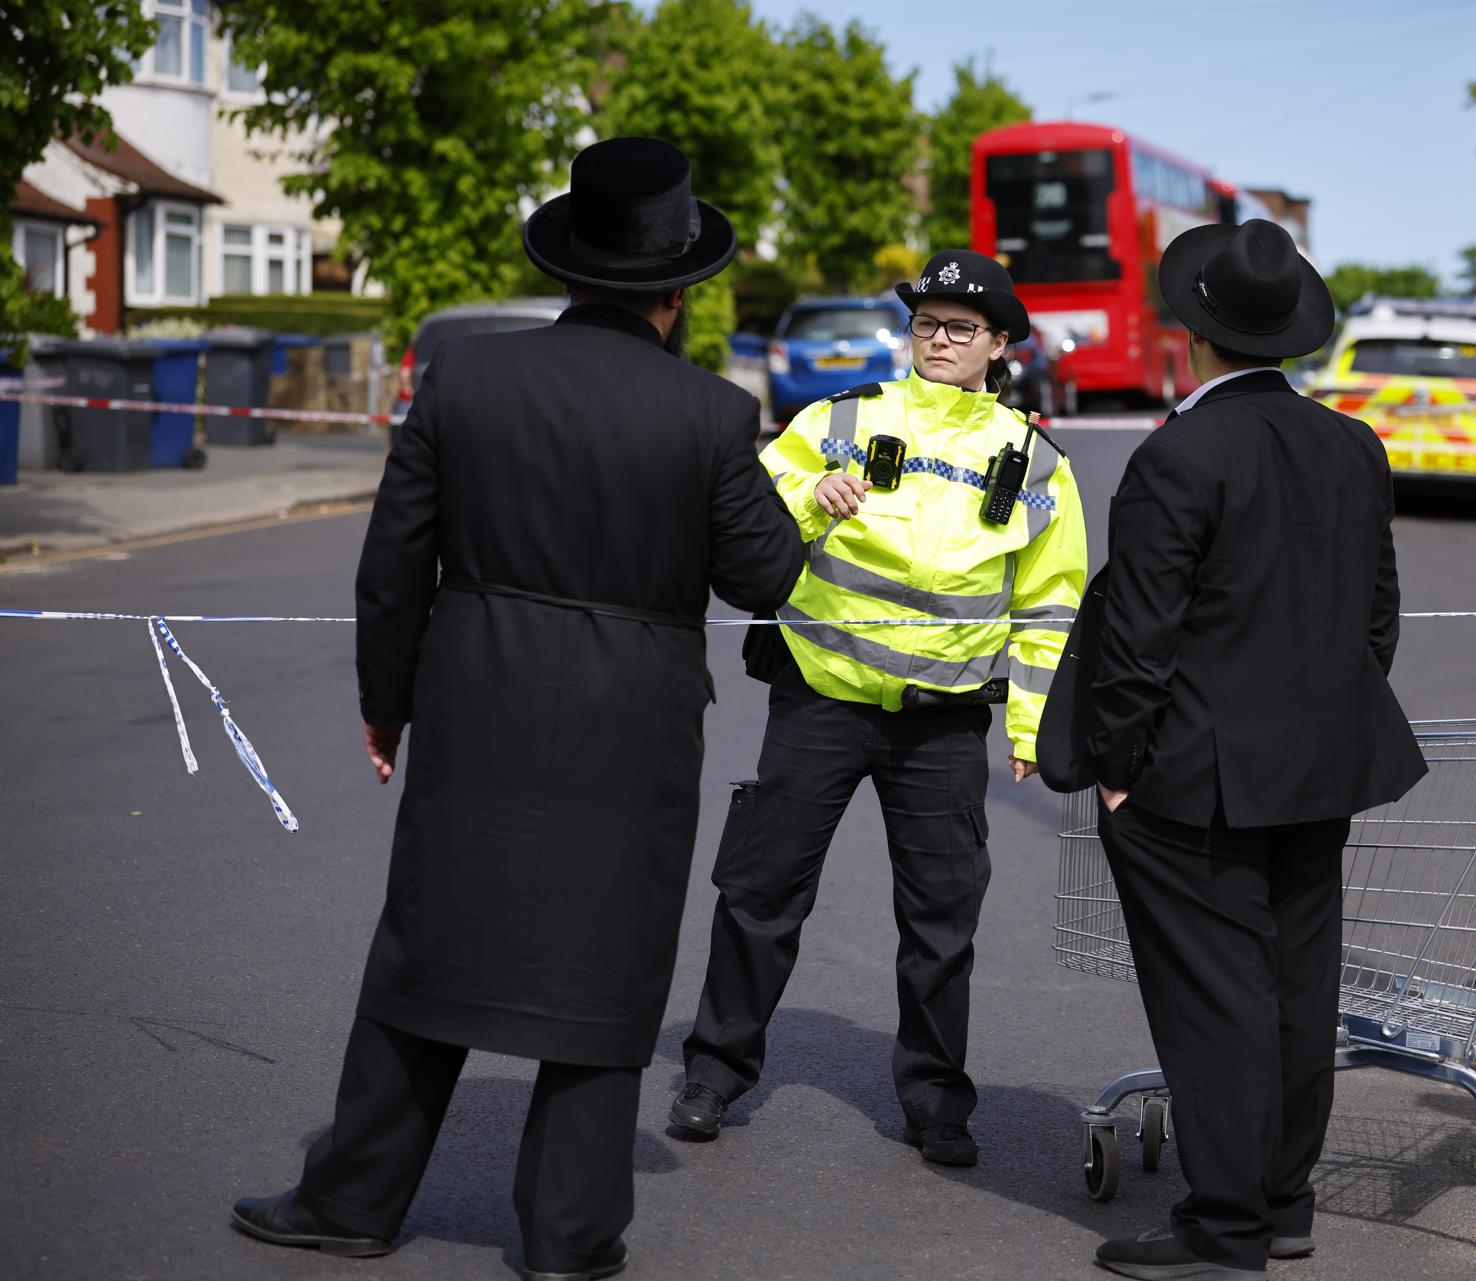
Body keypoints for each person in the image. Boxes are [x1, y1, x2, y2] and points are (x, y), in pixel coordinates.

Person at [228, 138, 803, 1281]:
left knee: (428, 940)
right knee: (608, 958)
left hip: (478, 694)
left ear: (571, 269)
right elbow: (767, 577)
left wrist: (385, 706)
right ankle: (569, 1235)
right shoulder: (711, 415)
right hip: (632, 720)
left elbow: (394, 566)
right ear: (676, 294)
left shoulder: (468, 380)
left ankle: (352, 1198)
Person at [669, 250, 1087, 1168]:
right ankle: (714, 1071)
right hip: (821, 692)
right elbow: (745, 516)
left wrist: (1030, 724)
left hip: (941, 722)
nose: (938, 340)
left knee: (942, 918)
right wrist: (807, 498)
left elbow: (1052, 602)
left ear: (999, 344)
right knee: (760, 893)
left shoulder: (1036, 461)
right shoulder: (841, 418)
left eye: (960, 329)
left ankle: (938, 1100)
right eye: (926, 323)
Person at [1080, 220, 1427, 1281]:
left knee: (1214, 997)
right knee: (1295, 986)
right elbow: (1379, 619)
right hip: (1322, 767)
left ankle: (1223, 1223)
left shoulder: (1179, 453)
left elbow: (1138, 638)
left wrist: (1117, 762)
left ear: (1194, 331)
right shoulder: (1351, 443)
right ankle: (1281, 1203)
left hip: (1195, 777)